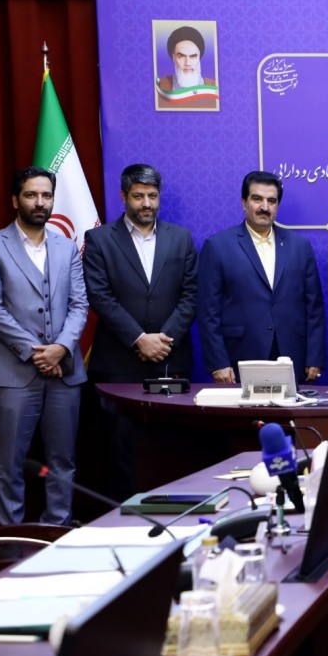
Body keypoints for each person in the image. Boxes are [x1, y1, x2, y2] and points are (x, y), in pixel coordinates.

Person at [0, 167, 88, 524]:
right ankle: (11, 537)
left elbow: (79, 305)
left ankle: (57, 528)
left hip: (65, 371)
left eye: (46, 195)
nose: (40, 202)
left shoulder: (67, 246)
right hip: (14, 371)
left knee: (63, 460)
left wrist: (61, 348)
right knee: (10, 461)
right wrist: (39, 353)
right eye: (31, 195)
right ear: (15, 200)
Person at [83, 164, 197, 499]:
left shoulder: (181, 238)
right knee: (122, 449)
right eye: (138, 196)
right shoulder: (99, 239)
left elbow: (191, 295)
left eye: (152, 195)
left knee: (172, 445)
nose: (146, 203)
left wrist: (163, 340)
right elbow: (99, 296)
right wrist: (139, 340)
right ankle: (122, 515)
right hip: (119, 363)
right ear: (123, 196)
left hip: (170, 358)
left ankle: (173, 517)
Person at [198, 171, 326, 383]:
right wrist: (218, 362)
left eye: (271, 201)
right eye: (257, 199)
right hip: (240, 356)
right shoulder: (218, 246)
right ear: (244, 202)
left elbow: (314, 308)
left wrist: (315, 357)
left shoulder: (300, 246)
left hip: (292, 355)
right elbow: (208, 312)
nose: (264, 207)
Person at [155, 25, 218, 108]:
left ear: (199, 57)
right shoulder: (161, 86)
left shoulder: (214, 87)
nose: (187, 63)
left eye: (193, 56)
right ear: (173, 58)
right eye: (181, 56)